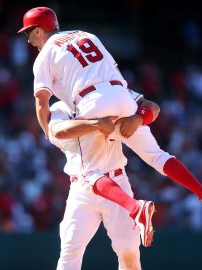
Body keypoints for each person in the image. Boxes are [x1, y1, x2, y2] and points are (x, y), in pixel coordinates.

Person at [17, 6, 156, 247]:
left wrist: (48, 134)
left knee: (89, 173)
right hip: (117, 96)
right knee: (157, 156)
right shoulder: (86, 36)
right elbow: (146, 102)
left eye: (28, 33)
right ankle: (197, 192)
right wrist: (136, 117)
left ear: (38, 30)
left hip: (93, 112)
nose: (28, 40)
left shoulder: (46, 56)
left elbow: (41, 103)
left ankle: (136, 207)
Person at [48, 91, 158, 270]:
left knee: (129, 251)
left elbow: (152, 106)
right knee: (70, 250)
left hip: (116, 181)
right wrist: (96, 124)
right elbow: (58, 131)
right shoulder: (60, 107)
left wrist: (137, 118)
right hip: (82, 189)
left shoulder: (106, 91)